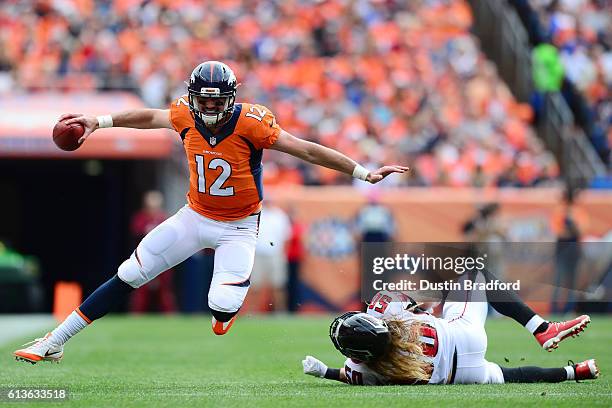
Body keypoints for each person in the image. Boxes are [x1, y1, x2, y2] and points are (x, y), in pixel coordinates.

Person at [14, 61, 408, 364]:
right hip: (195, 216)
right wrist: (98, 122)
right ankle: (54, 342)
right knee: (130, 273)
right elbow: (150, 117)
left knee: (220, 304)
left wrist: (361, 171)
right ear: (193, 97)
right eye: (203, 100)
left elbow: (304, 148)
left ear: (231, 98)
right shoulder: (185, 113)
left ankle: (226, 309)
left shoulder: (253, 123)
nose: (209, 108)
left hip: (239, 226)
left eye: (217, 102)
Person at [303, 288, 597, 386]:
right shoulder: (387, 308)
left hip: (462, 374)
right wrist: (430, 304)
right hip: (463, 334)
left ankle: (576, 372)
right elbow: (424, 301)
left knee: (510, 375)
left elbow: (346, 373)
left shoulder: (363, 370)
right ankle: (542, 329)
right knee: (474, 272)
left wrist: (324, 372)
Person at [128, 190, 177, 314]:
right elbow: (137, 233)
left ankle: (170, 317)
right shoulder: (140, 218)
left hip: (162, 259)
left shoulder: (165, 218)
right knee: (140, 290)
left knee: (165, 292)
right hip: (144, 259)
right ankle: (135, 317)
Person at [249, 201, 291, 312]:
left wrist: (283, 254)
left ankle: (280, 311)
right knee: (255, 285)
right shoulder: (256, 214)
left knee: (278, 285)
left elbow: (287, 237)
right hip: (258, 253)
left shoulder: (280, 215)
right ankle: (253, 312)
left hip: (275, 253)